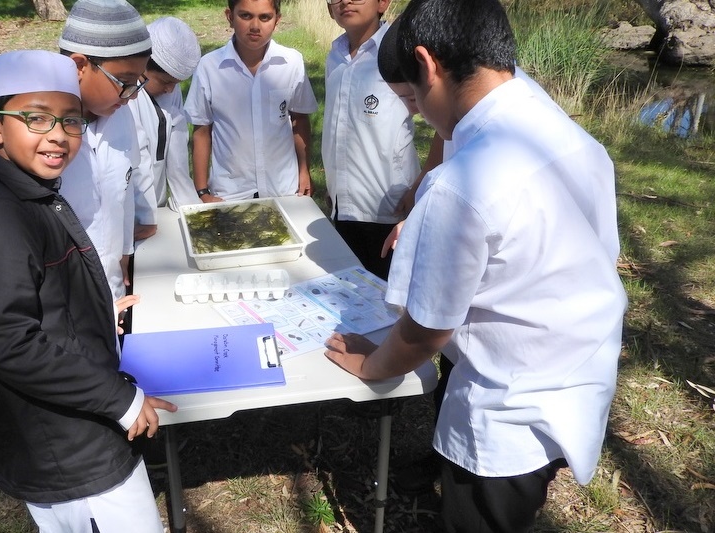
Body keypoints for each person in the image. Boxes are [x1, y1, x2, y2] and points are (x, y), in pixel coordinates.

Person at [324, 0, 627, 531]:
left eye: (413, 96)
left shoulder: (463, 185)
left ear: (428, 62)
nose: (417, 111)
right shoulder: (554, 126)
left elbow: (424, 332)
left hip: (505, 409)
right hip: (577, 371)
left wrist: (371, 366)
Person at [0, 49, 177, 533]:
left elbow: (41, 298)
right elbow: (8, 339)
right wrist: (121, 401)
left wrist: (98, 309)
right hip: (66, 449)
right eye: (35, 118)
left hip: (78, 423)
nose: (57, 135)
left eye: (70, 122)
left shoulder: (32, 190)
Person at [0, 0, 153, 304]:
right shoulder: (10, 135)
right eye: (125, 83)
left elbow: (125, 190)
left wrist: (125, 253)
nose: (131, 96)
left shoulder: (121, 115)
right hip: (51, 308)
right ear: (79, 66)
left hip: (111, 295)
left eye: (138, 84)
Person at [321, 0, 421, 280]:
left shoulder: (398, 54)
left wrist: (419, 184)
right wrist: (334, 182)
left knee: (386, 300)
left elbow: (443, 126)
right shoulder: (335, 56)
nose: (345, 1)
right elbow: (337, 125)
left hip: (388, 208)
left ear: (382, 3)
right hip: (342, 206)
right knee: (349, 297)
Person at [184, 0, 318, 203]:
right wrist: (202, 191)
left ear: (277, 20)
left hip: (284, 188)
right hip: (230, 192)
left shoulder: (291, 63)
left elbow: (299, 119)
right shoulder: (209, 67)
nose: (255, 26)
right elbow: (202, 131)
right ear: (230, 16)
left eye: (265, 17)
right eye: (245, 16)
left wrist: (304, 170)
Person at [129, 16, 202, 242]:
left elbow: (178, 151)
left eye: (176, 83)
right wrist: (146, 217)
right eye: (164, 82)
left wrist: (190, 209)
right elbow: (138, 161)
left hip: (156, 206)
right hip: (128, 209)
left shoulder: (171, 90)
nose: (171, 90)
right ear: (142, 66)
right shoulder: (128, 97)